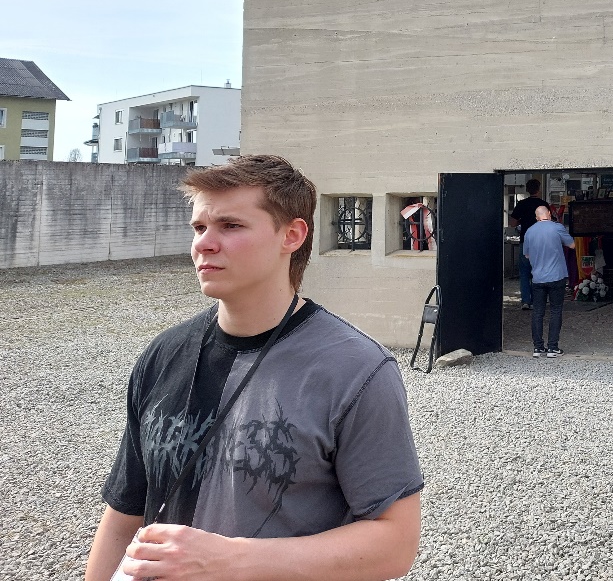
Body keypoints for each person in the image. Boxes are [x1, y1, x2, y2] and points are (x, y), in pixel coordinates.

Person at [84, 155, 423, 581]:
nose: (204, 243)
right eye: (199, 227)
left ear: (292, 236)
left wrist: (232, 559)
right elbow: (123, 515)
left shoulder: (357, 370)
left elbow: (395, 543)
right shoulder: (163, 354)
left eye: (230, 226)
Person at [522, 204, 574, 358]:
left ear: (537, 217)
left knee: (538, 312)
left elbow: (526, 255)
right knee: (556, 310)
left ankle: (538, 348)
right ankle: (553, 348)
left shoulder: (530, 231)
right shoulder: (557, 228)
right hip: (556, 276)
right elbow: (571, 244)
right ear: (549, 214)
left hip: (538, 277)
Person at [509, 179, 550, 310]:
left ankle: (526, 301)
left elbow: (513, 223)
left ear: (527, 189)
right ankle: (538, 300)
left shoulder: (521, 204)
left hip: (526, 242)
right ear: (539, 189)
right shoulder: (543, 205)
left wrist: (523, 220)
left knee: (525, 272)